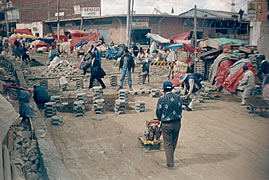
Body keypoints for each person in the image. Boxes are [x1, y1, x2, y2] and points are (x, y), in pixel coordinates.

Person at [156, 81, 182, 168]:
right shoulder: (178, 98)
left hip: (167, 124)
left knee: (168, 144)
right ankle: (171, 157)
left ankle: (170, 163)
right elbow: (180, 109)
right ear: (172, 88)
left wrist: (161, 119)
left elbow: (158, 112)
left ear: (163, 89)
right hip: (177, 123)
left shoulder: (162, 99)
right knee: (174, 142)